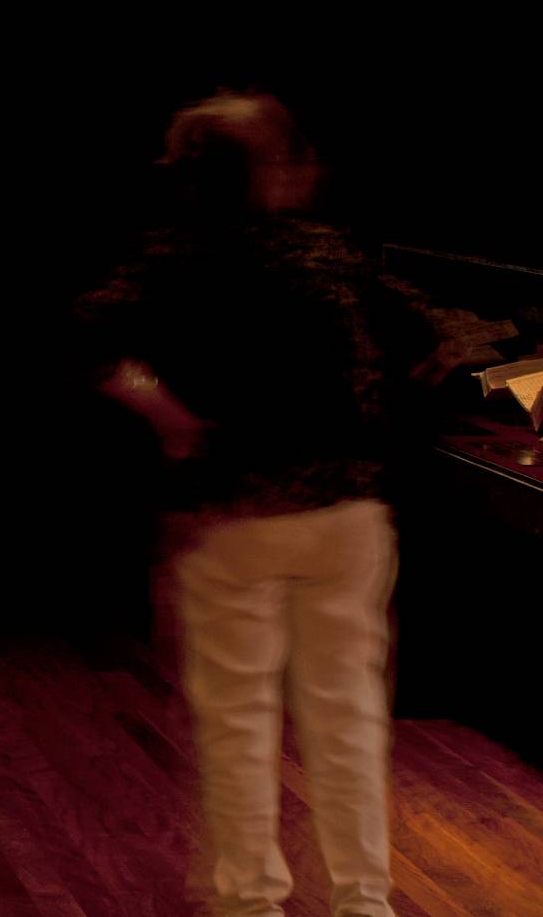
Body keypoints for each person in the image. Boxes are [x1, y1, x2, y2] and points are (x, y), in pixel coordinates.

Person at [78, 91, 455, 917]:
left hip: (231, 520)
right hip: (349, 516)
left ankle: (249, 902)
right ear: (275, 168)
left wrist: (172, 418)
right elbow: (434, 341)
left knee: (239, 723)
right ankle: (363, 901)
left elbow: (93, 342)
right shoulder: (330, 253)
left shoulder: (179, 255)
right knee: (349, 717)